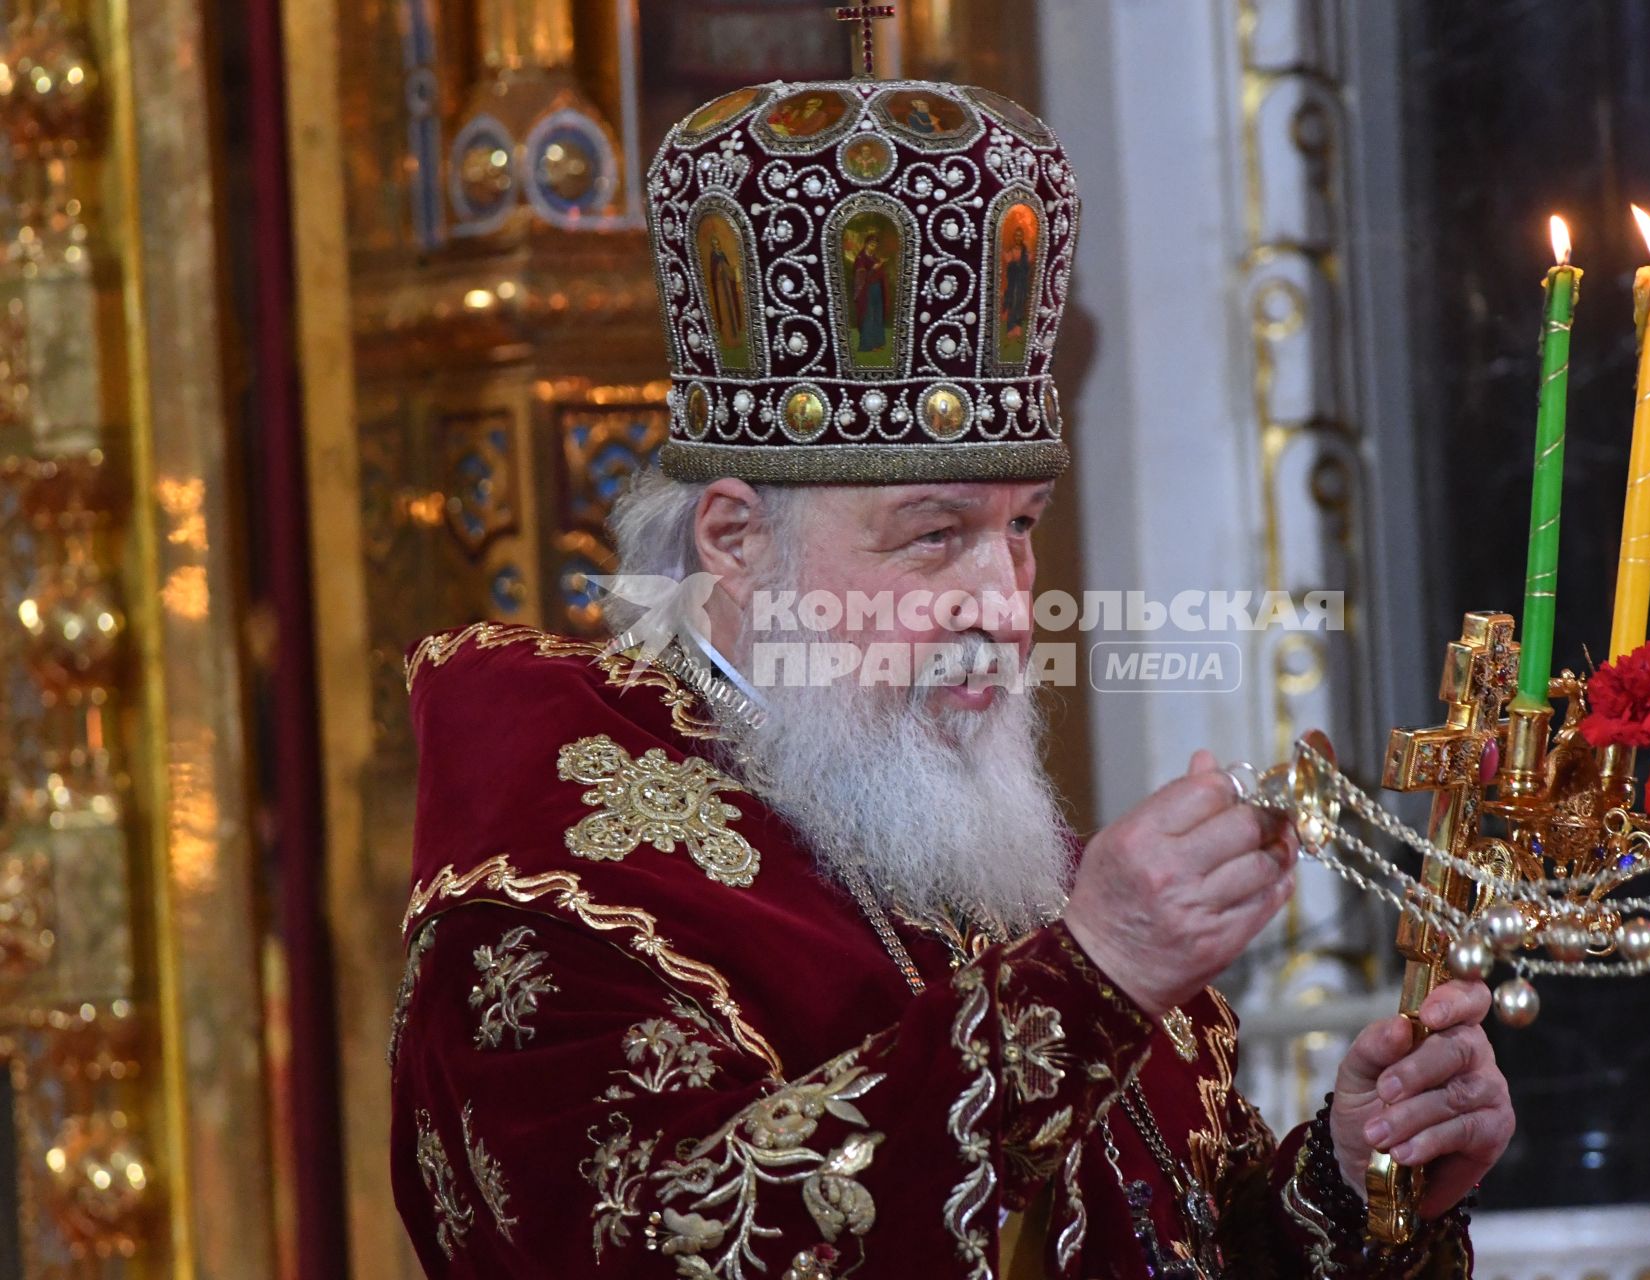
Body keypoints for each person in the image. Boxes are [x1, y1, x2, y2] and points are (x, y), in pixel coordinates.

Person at [391, 61, 1512, 1280]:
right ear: (735, 540)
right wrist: (1089, 984)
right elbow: (670, 1247)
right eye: (934, 536)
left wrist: (1346, 1189)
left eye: (1020, 527)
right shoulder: (553, 896)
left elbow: (1155, 1244)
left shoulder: (995, 861)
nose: (1002, 604)